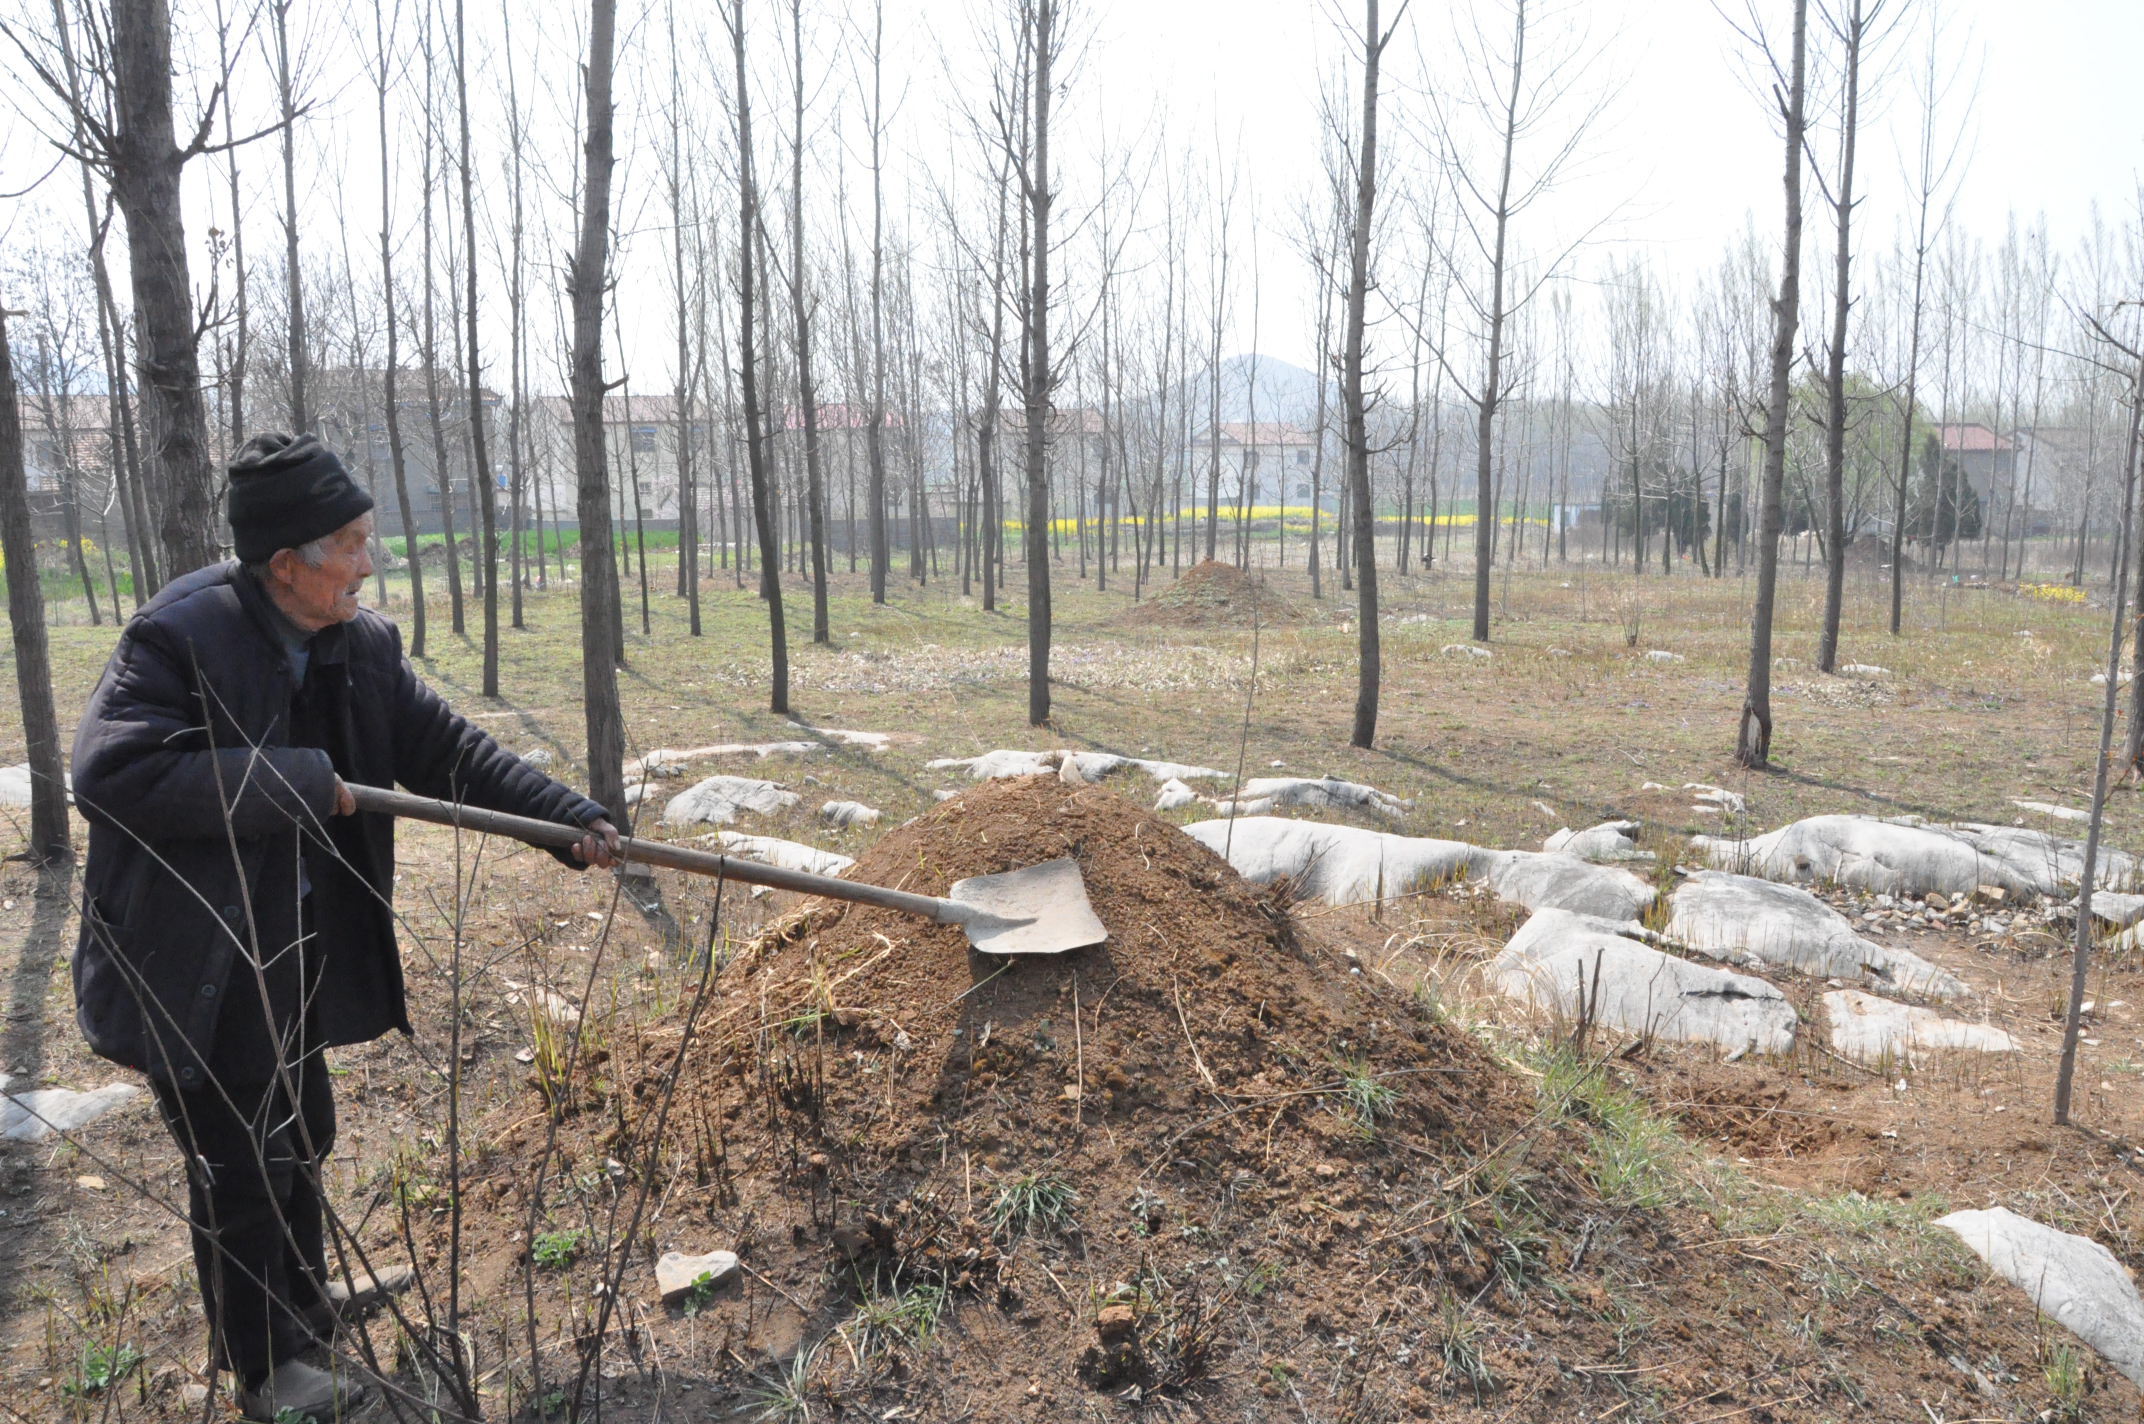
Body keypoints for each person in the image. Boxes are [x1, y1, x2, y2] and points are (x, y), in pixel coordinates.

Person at [69, 433, 621, 1422]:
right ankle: (269, 1369)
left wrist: (563, 819)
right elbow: (111, 775)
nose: (371, 561)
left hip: (293, 945)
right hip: (195, 955)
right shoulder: (178, 638)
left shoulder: (358, 643)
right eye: (353, 543)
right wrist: (295, 779)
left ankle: (304, 1303)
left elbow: (445, 748)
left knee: (302, 1129)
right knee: (238, 1162)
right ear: (287, 562)